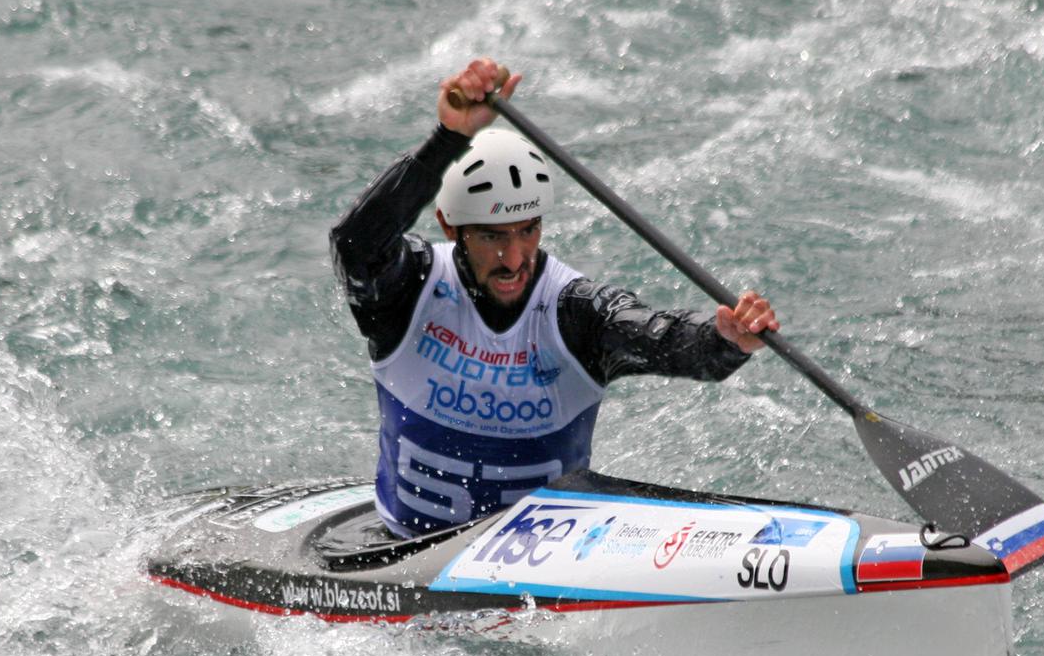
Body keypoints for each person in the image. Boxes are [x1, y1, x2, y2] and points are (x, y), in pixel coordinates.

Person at [331, 57, 779, 538]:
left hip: (544, 567)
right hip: (402, 552)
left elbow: (666, 339)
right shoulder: (408, 291)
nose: (513, 258)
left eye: (528, 231)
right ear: (449, 226)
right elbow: (354, 245)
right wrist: (448, 138)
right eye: (491, 237)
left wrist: (725, 339)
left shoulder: (575, 312)